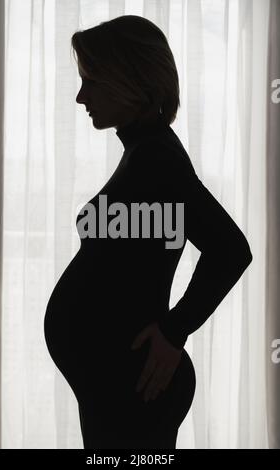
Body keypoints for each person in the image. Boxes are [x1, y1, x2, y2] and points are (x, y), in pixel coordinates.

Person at [44, 15, 253, 449]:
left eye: (92, 81)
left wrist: (175, 331)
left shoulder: (157, 156)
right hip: (120, 386)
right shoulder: (145, 151)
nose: (81, 97)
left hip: (135, 388)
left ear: (130, 78)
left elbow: (231, 250)